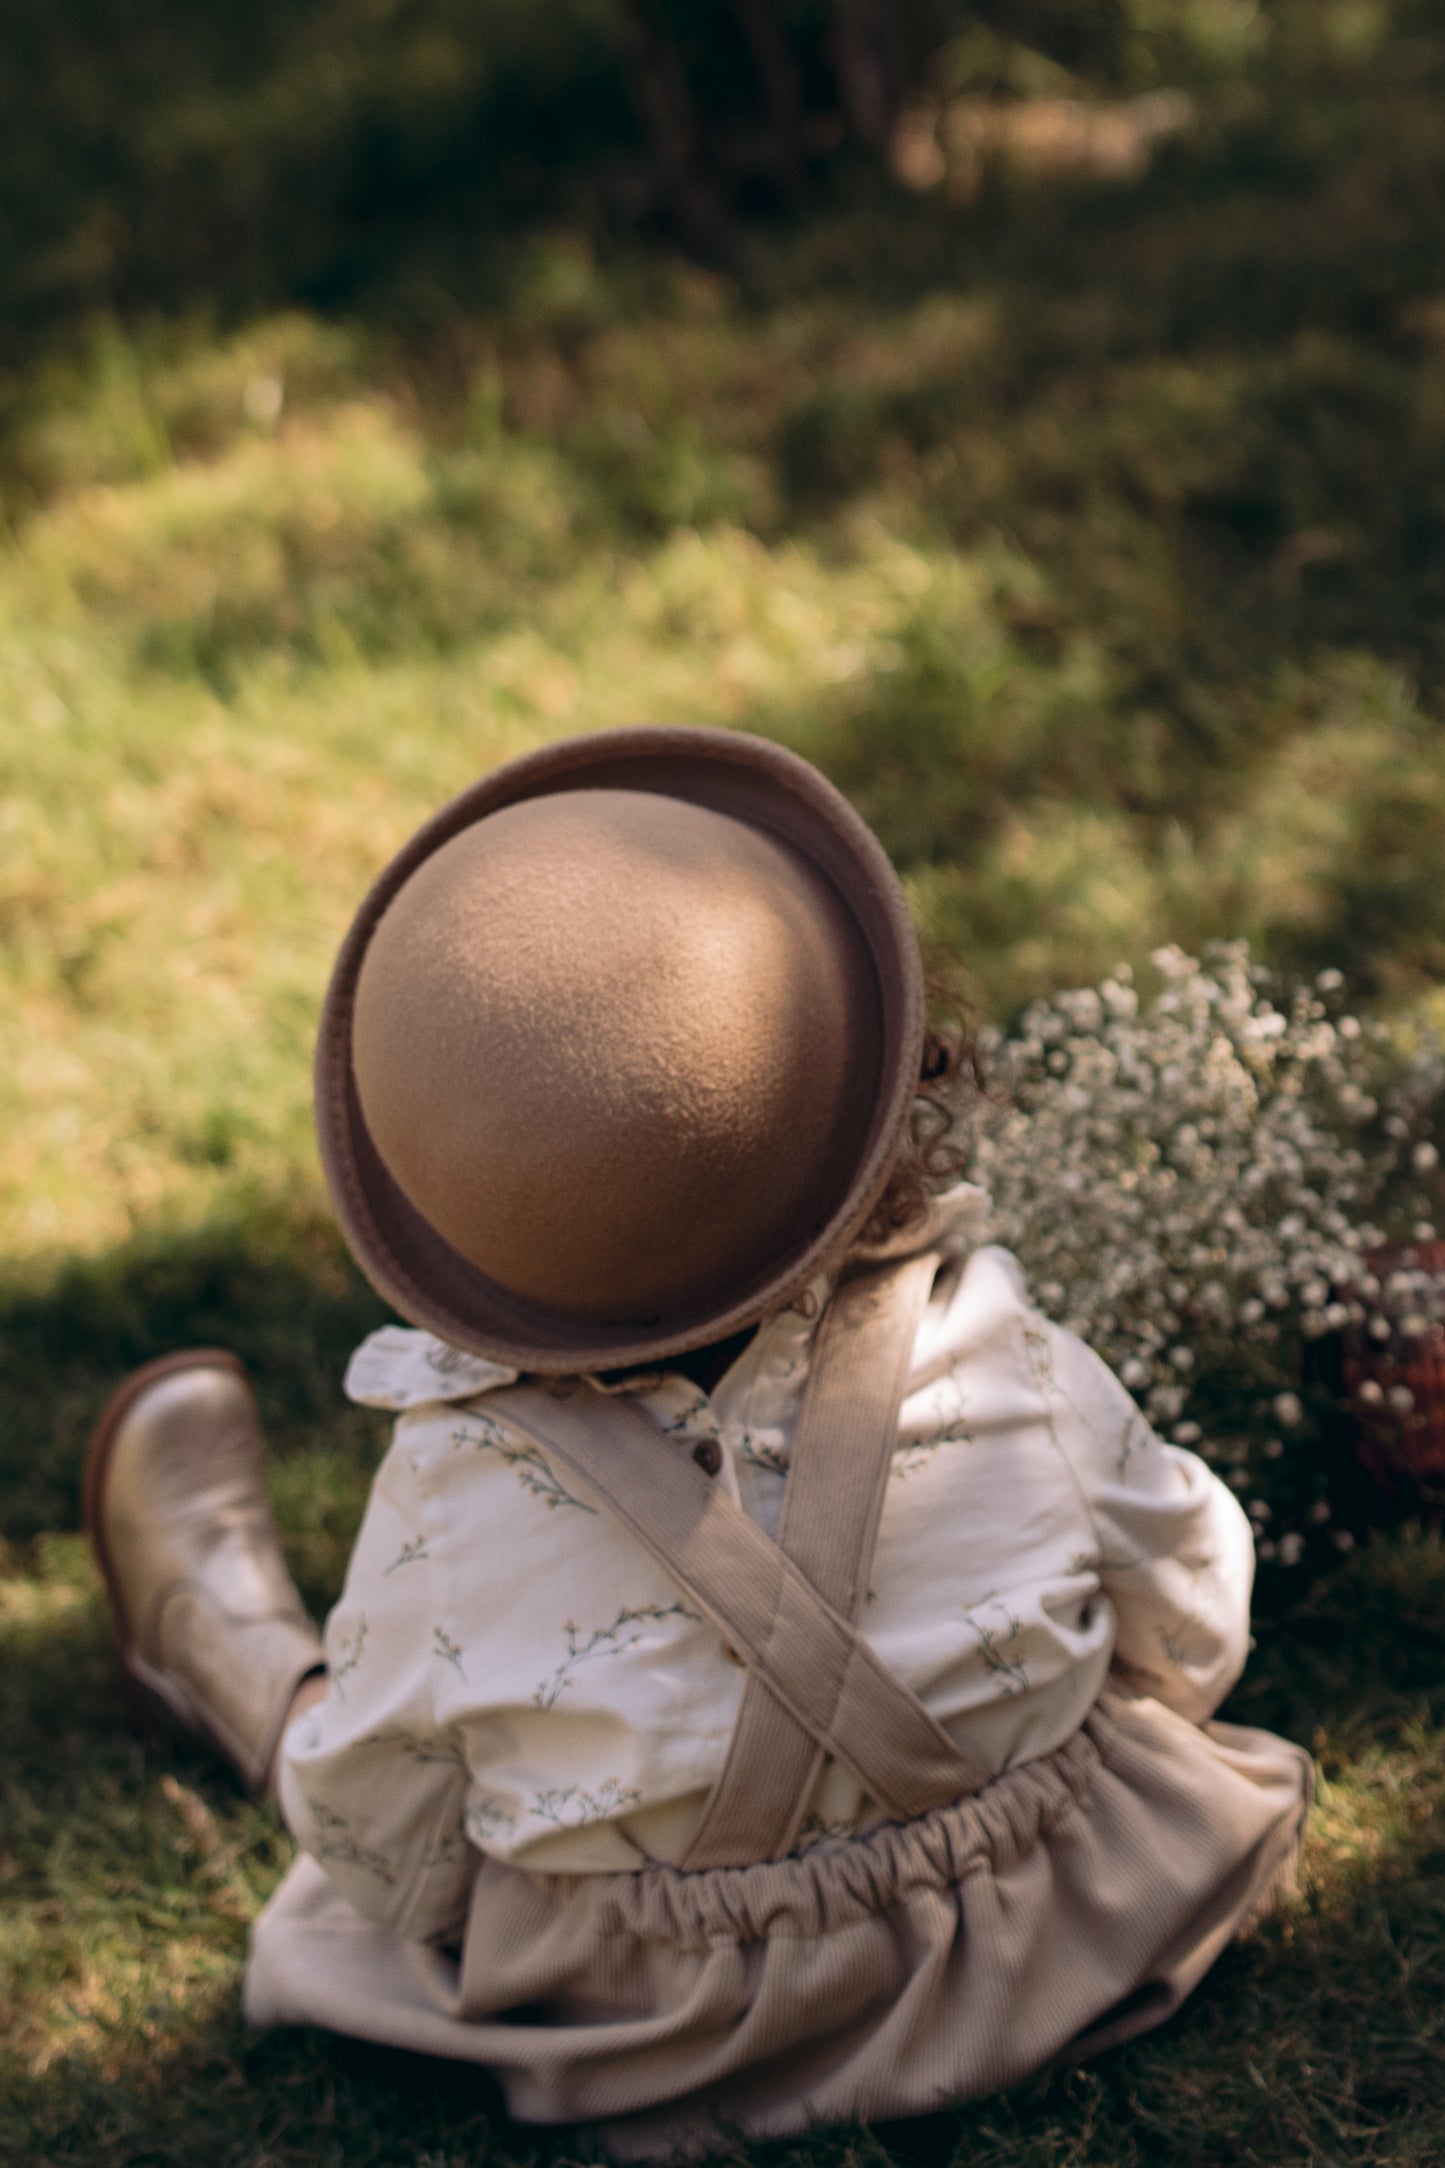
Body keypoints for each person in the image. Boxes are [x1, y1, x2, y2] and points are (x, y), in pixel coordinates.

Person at [84, 726, 1312, 2158]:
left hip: (676, 2028)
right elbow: (1190, 1611)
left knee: (340, 1739)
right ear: (884, 1093)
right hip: (1064, 1927)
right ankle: (214, 1635)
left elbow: (387, 1852)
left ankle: (223, 1643)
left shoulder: (456, 1497)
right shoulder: (1004, 1355)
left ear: (462, 1238)